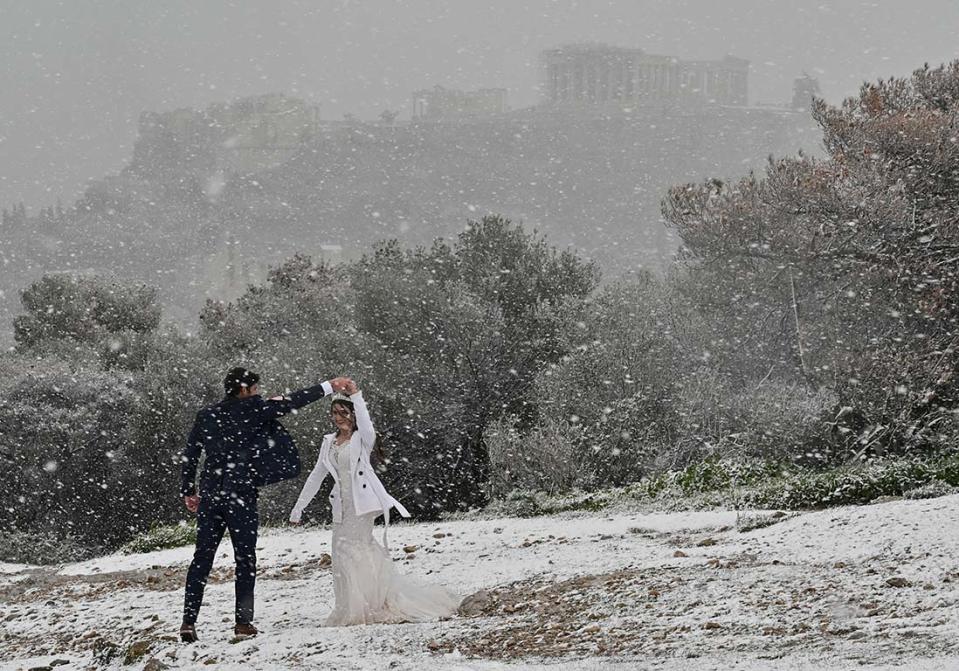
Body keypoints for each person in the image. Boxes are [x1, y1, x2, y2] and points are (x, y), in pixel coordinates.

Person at [179, 367, 352, 642]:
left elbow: (190, 454)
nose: (258, 393)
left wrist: (189, 490)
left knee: (201, 559)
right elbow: (295, 400)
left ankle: (188, 622)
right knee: (245, 559)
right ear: (245, 390)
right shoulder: (254, 408)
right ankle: (243, 623)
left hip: (211, 495)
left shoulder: (207, 415)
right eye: (255, 389)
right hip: (241, 495)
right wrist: (330, 385)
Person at [290, 381, 460, 625]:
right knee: (343, 553)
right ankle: (358, 603)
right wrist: (299, 508)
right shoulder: (328, 442)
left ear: (353, 414)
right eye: (334, 413)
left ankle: (364, 606)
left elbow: (367, 424)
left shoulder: (362, 438)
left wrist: (356, 395)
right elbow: (316, 475)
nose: (338, 418)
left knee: (351, 549)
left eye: (343, 412)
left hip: (362, 505)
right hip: (341, 505)